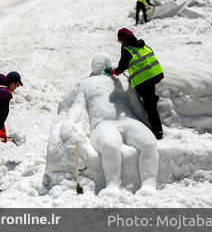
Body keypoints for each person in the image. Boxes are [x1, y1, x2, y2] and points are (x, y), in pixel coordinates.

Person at [60, 54, 159, 195]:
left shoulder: (121, 81)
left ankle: (149, 185)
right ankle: (112, 185)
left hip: (128, 120)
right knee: (110, 145)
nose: (98, 65)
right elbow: (78, 106)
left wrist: (150, 125)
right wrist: (69, 122)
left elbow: (136, 106)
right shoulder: (86, 84)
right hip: (103, 124)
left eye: (101, 62)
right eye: (96, 63)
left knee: (149, 143)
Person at [105, 28, 164, 139]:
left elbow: (122, 67)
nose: (120, 43)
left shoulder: (127, 49)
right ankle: (153, 100)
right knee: (150, 100)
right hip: (154, 74)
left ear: (122, 39)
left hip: (143, 80)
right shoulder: (142, 44)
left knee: (150, 106)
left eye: (120, 40)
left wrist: (112, 71)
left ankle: (158, 132)